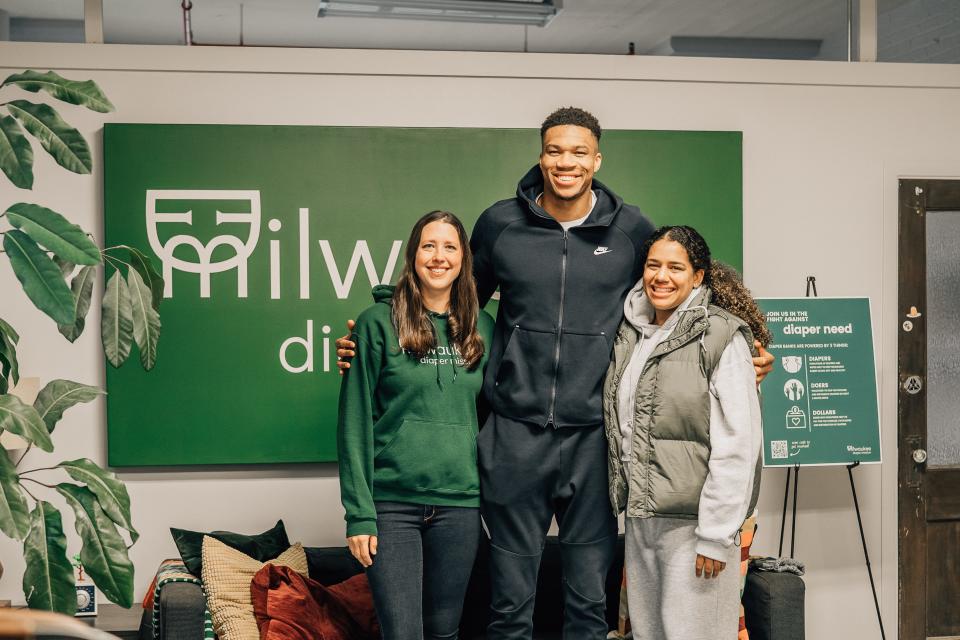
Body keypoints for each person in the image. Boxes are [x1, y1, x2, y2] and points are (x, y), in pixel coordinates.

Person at [339, 107, 774, 640]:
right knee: (509, 605)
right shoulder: (500, 224)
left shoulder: (631, 228)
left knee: (588, 605)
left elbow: (684, 278)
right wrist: (379, 328)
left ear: (596, 159)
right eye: (554, 150)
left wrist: (750, 342)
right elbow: (450, 298)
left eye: (577, 152)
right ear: (540, 156)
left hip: (594, 440)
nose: (565, 162)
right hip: (514, 438)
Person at [602, 225, 768, 640]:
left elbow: (739, 444)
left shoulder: (721, 336)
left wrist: (715, 536)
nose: (661, 276)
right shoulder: (632, 333)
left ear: (698, 276)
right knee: (649, 633)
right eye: (653, 265)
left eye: (675, 267)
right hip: (642, 519)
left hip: (697, 527)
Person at [336, 210, 494, 640]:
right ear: (413, 254)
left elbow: (493, 415)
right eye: (429, 245)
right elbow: (354, 424)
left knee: (445, 631)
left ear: (464, 259)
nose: (438, 256)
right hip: (392, 505)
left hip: (460, 505)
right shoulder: (375, 323)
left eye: (450, 247)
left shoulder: (483, 327)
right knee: (402, 632)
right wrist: (359, 515)